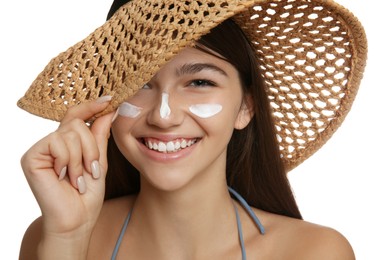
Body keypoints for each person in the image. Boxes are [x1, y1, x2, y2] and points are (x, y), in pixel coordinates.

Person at [17, 0, 367, 259]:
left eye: (199, 81)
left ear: (246, 107)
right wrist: (68, 240)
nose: (164, 116)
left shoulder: (314, 252)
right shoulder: (53, 235)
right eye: (139, 83)